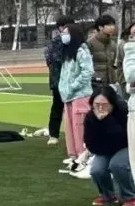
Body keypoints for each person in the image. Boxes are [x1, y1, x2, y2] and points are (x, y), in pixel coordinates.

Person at [83, 85, 135, 206]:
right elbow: (89, 141)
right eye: (97, 104)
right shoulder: (90, 117)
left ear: (112, 104)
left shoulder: (123, 111)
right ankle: (108, 196)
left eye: (104, 105)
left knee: (117, 164)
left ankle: (130, 196)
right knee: (97, 170)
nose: (100, 108)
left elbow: (122, 136)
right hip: (106, 149)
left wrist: (107, 120)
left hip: (127, 145)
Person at [58, 23, 95, 178]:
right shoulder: (67, 53)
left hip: (80, 95)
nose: (63, 36)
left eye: (66, 33)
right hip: (67, 96)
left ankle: (83, 156)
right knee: (70, 126)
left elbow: (88, 72)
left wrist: (73, 86)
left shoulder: (81, 52)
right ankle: (73, 155)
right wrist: (63, 89)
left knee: (80, 127)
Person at [45, 17, 74, 146]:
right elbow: (52, 60)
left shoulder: (76, 40)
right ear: (60, 27)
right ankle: (53, 134)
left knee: (75, 108)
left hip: (72, 80)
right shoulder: (56, 42)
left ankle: (75, 134)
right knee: (57, 107)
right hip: (58, 79)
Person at [87, 14, 119, 90]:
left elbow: (112, 63)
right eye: (109, 25)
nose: (112, 27)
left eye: (113, 25)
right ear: (100, 27)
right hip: (96, 83)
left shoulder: (113, 44)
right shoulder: (90, 43)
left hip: (111, 82)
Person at [123, 21, 135, 166]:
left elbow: (131, 74)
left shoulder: (131, 50)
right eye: (131, 35)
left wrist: (131, 50)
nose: (132, 38)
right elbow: (130, 82)